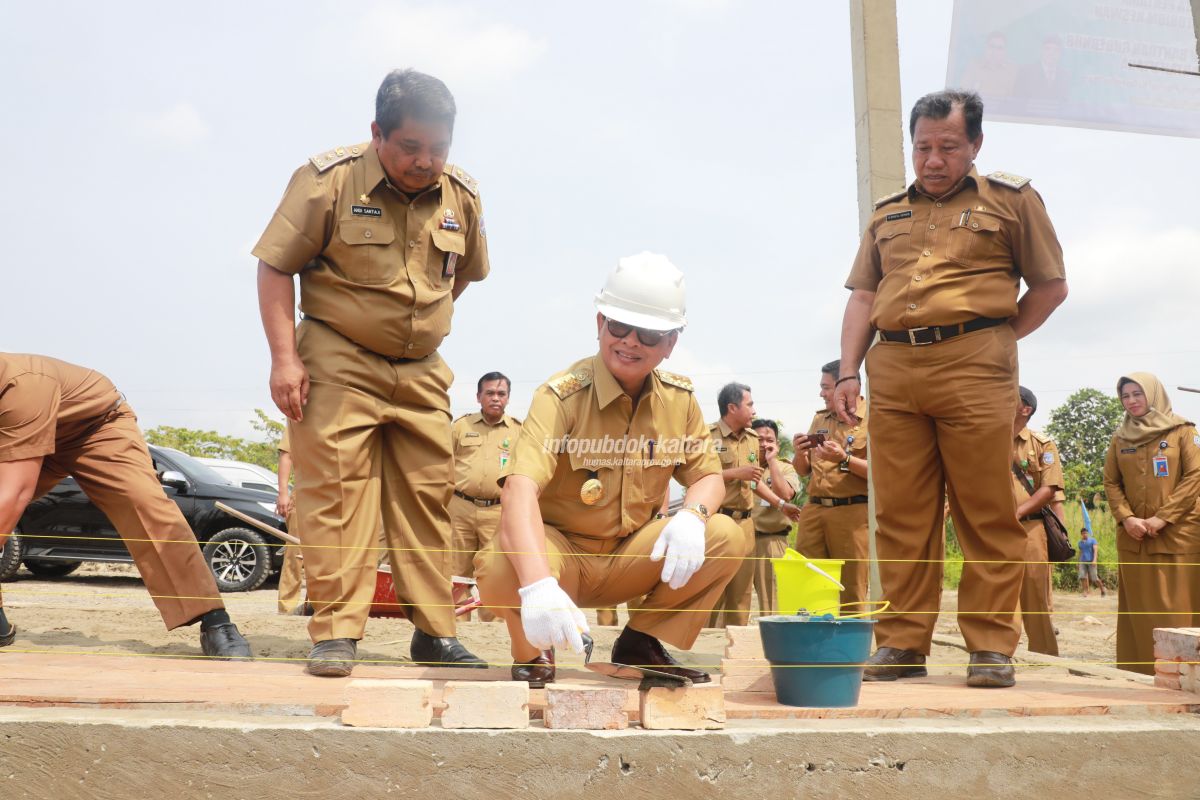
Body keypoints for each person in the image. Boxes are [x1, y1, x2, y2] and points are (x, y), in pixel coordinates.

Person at [253, 68, 488, 677]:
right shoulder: (326, 181)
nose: (425, 161)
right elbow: (276, 267)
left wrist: (419, 322)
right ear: (377, 132)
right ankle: (336, 632)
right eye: (410, 147)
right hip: (337, 356)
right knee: (336, 493)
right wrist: (285, 358)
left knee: (430, 497)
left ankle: (435, 632)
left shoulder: (461, 194)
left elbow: (461, 276)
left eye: (438, 149)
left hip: (421, 370)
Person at [835, 89, 1068, 688]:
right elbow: (863, 296)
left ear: (975, 146)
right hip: (894, 369)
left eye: (947, 147)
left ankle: (991, 646)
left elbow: (1049, 286)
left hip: (975, 365)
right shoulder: (887, 213)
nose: (933, 159)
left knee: (984, 507)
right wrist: (846, 371)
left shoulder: (1013, 200)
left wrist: (996, 337)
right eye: (923, 147)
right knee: (902, 514)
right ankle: (903, 643)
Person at [474, 252, 747, 687]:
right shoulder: (561, 397)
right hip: (559, 555)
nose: (631, 341)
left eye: (650, 333)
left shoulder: (679, 401)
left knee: (725, 535)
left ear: (671, 343)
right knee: (498, 566)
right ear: (600, 323)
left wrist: (693, 517)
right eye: (619, 326)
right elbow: (520, 488)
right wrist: (538, 586)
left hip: (630, 556)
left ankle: (642, 640)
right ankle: (532, 652)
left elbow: (708, 477)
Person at [0, 353, 252, 658]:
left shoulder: (22, 385)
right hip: (20, 437)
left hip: (94, 429)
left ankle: (214, 621)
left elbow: (14, 493)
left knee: (146, 507)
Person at [1103, 373, 1200, 675]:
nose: (1131, 401)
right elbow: (1111, 481)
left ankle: (1182, 677)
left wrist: (1163, 517)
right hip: (1135, 539)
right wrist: (1127, 517)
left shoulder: (1183, 432)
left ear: (1153, 394)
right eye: (1125, 396)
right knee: (1138, 613)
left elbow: (1194, 476)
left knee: (1177, 611)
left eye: (1137, 394)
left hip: (1178, 537)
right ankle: (1139, 675)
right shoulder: (1120, 438)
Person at [792, 360, 871, 609]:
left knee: (852, 588)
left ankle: (850, 648)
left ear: (845, 387)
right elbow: (803, 471)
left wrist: (845, 458)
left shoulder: (873, 418)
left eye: (826, 387)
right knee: (808, 581)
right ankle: (811, 644)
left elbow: (883, 473)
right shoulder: (820, 419)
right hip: (814, 510)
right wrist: (799, 453)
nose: (821, 393)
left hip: (852, 513)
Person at [450, 372, 520, 621]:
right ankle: (457, 626)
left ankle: (491, 626)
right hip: (460, 508)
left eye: (501, 394)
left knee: (494, 570)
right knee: (456, 571)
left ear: (508, 398)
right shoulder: (460, 427)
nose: (495, 398)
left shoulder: (519, 432)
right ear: (478, 396)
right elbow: (443, 464)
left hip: (498, 511)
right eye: (489, 393)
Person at [1010, 386, 1061, 656]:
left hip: (1030, 527)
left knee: (1035, 596)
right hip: (993, 530)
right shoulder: (984, 440)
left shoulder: (1041, 444)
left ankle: (1044, 657)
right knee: (998, 596)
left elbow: (1050, 488)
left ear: (1025, 408)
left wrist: (1018, 512)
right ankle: (999, 653)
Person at [749, 418, 801, 615]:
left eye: (769, 440)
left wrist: (772, 462)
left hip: (771, 541)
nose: (763, 444)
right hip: (741, 538)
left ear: (777, 444)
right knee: (729, 602)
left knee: (772, 605)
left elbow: (785, 495)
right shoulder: (741, 465)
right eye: (758, 439)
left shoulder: (785, 468)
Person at [275, 427, 305, 615]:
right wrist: (283, 493)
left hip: (342, 496)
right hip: (305, 493)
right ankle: (287, 607)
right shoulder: (301, 416)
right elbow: (287, 455)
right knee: (295, 552)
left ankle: (323, 605)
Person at [1077, 527, 1105, 598]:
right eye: (1083, 533)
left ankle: (1102, 590)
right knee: (1082, 576)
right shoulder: (1080, 543)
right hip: (1083, 562)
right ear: (1081, 534)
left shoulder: (1093, 540)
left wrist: (1094, 560)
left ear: (1088, 533)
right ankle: (1085, 591)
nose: (1084, 534)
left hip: (1091, 561)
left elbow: (1095, 550)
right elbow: (1080, 552)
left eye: (1086, 533)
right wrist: (1078, 562)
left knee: (1094, 578)